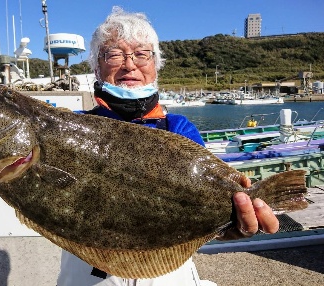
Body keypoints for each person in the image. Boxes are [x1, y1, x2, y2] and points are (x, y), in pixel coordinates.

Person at [57, 7, 279, 286]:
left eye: (141, 54)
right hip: (89, 271)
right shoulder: (72, 128)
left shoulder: (179, 128)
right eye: (114, 54)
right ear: (96, 67)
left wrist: (226, 225)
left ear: (155, 65)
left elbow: (204, 197)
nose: (129, 65)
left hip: (165, 274)